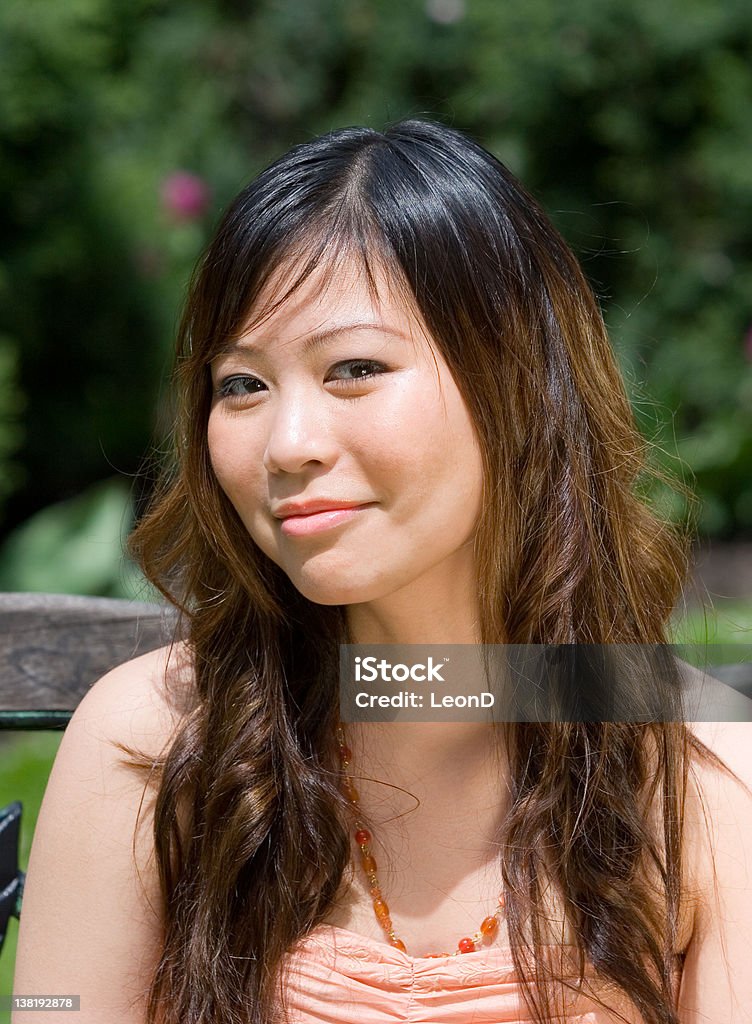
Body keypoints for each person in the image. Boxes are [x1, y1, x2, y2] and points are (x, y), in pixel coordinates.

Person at [12, 119, 752, 1024]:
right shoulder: (152, 740)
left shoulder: (696, 770)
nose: (288, 444)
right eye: (241, 384)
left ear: (515, 386)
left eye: (355, 368)